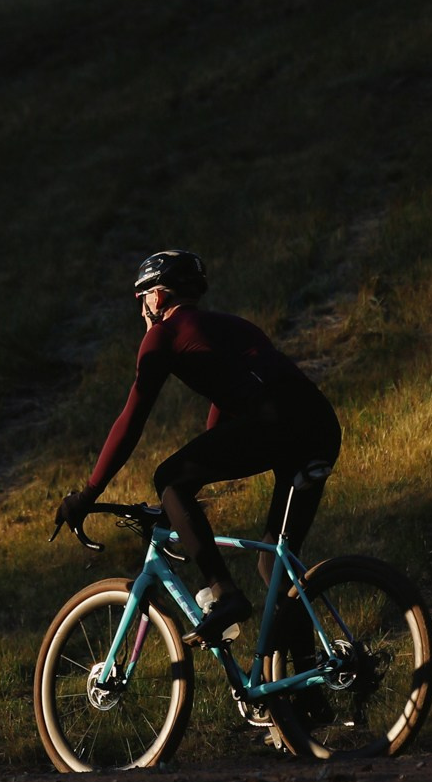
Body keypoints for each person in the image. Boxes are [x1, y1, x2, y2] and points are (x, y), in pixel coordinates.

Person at [56, 250, 342, 646]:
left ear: (156, 298)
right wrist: (189, 494)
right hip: (321, 426)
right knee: (275, 566)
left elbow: (131, 419)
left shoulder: (163, 335)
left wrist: (88, 493)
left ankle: (224, 594)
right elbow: (226, 408)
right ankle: (306, 696)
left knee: (168, 476)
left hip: (277, 424)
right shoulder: (230, 327)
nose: (141, 313)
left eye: (141, 302)